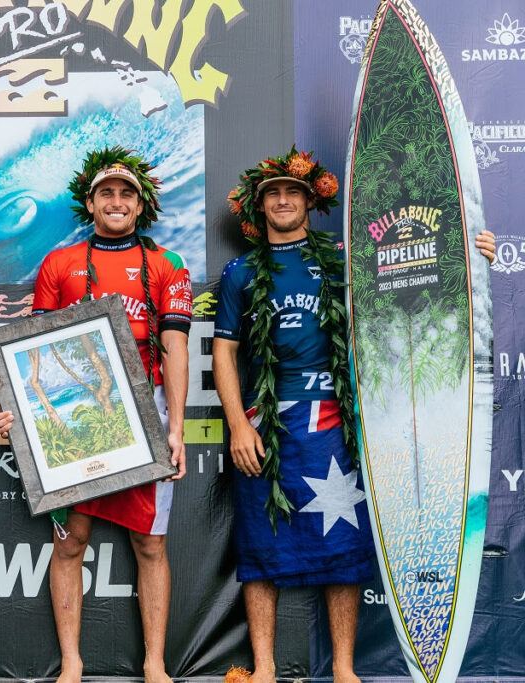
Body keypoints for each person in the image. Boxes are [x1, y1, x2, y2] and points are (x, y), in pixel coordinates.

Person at [212, 148, 496, 683]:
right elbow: (224, 352)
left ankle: (343, 669)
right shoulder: (240, 272)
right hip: (266, 423)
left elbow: (417, 279)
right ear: (259, 204)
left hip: (336, 420)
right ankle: (265, 669)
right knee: (259, 542)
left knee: (342, 544)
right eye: (272, 193)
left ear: (310, 201)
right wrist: (238, 425)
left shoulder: (343, 262)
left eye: (291, 192)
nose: (282, 200)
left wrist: (472, 255)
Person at [0, 147, 191, 683]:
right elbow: (35, 352)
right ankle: (72, 665)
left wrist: (175, 428)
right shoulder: (60, 265)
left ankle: (154, 665)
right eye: (107, 193)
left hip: (146, 411)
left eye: (127, 194)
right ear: (90, 201)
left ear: (140, 204)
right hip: (76, 415)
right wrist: (18, 409)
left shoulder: (168, 265)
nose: (117, 202)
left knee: (150, 543)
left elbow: (175, 348)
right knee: (69, 540)